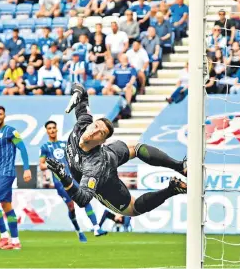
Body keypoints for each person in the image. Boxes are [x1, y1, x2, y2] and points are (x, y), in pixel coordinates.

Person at [46, 84, 187, 219]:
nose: (94, 131)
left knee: (133, 209)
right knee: (135, 148)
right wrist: (77, 91)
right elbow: (81, 90)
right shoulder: (83, 124)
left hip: (106, 181)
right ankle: (180, 167)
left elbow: (83, 200)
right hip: (111, 153)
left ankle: (172, 189)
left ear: (102, 142)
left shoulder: (93, 167)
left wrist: (64, 178)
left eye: (100, 133)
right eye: (95, 126)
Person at [39, 121, 107, 242]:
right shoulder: (44, 147)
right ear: (46, 131)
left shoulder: (65, 144)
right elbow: (41, 165)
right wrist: (53, 166)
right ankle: (79, 231)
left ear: (56, 129)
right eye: (49, 128)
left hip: (73, 178)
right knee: (71, 207)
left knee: (85, 199)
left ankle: (96, 227)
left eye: (54, 128)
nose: (52, 130)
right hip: (60, 183)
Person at [0, 106, 31, 250]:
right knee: (6, 206)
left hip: (6, 173)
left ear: (4, 116)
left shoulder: (10, 131)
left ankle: (4, 237)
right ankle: (15, 242)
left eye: (0, 114)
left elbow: (22, 148)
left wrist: (26, 168)